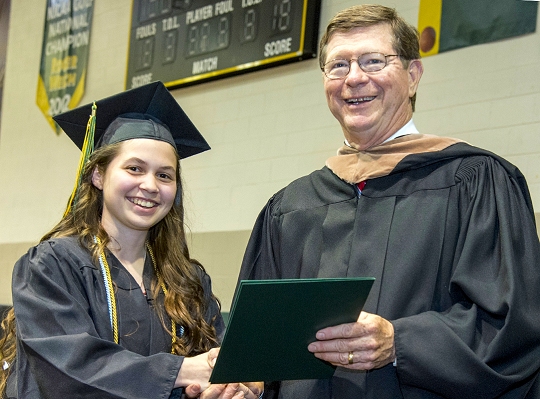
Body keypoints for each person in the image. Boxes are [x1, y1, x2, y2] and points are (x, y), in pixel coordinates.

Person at [238, 4, 540, 398]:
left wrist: (401, 342)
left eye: (373, 61)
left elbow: (513, 326)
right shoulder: (289, 208)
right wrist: (249, 382)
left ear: (412, 75)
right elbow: (258, 341)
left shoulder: (473, 181)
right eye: (338, 66)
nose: (354, 79)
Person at [0, 81, 262, 399]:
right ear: (98, 174)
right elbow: (66, 372)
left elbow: (215, 364)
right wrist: (183, 371)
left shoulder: (188, 279)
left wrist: (231, 388)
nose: (150, 185)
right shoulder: (51, 266)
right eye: (135, 168)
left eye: (165, 175)